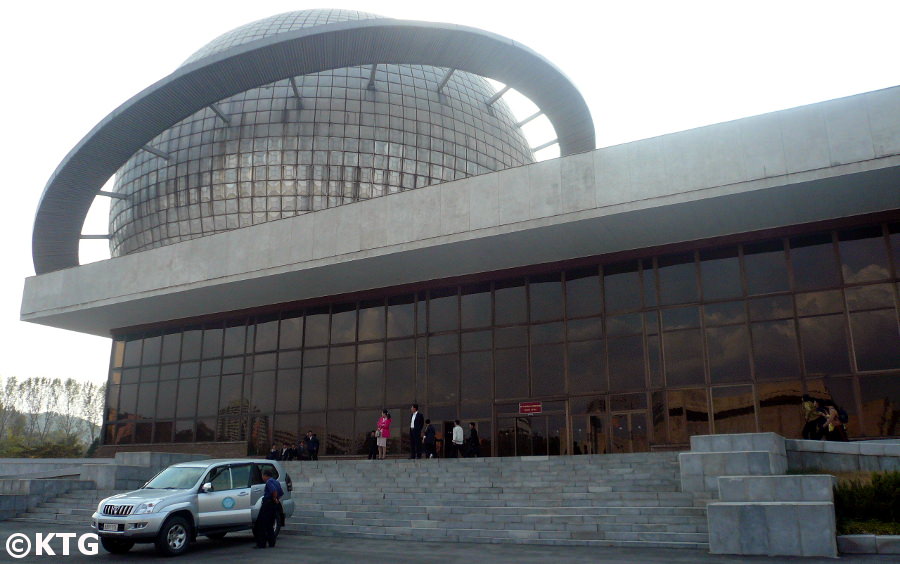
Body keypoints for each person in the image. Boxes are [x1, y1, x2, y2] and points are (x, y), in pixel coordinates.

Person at [253, 468, 283, 549]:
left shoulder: (269, 482)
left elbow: (274, 491)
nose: (262, 477)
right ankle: (271, 542)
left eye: (262, 475)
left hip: (268, 503)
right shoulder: (276, 481)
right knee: (270, 524)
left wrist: (274, 498)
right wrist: (277, 499)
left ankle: (261, 544)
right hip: (273, 505)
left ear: (265, 476)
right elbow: (280, 492)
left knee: (261, 524)